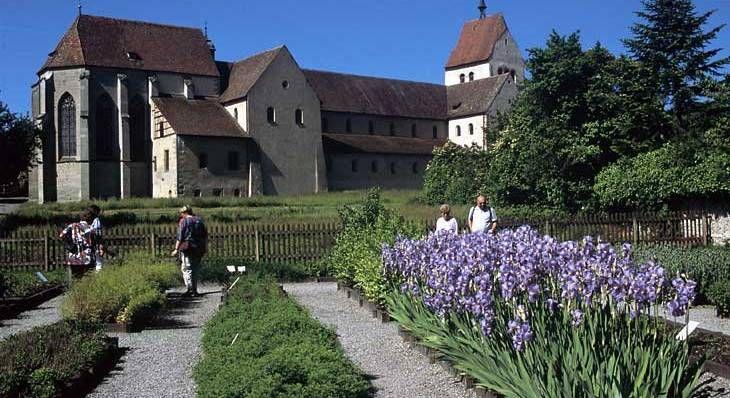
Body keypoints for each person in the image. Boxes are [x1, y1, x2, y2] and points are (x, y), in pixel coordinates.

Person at [171, 205, 208, 297]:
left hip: (188, 247)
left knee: (187, 268)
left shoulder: (184, 221)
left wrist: (176, 249)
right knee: (195, 269)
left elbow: (180, 236)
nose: (181, 215)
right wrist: (205, 248)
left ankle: (190, 290)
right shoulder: (199, 221)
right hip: (199, 248)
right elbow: (205, 236)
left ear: (184, 213)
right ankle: (194, 290)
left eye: (182, 213)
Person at [59, 210, 95, 275]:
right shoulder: (90, 228)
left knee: (75, 277)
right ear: (91, 219)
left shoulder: (72, 225)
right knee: (87, 277)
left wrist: (70, 242)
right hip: (86, 256)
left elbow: (61, 235)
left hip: (73, 256)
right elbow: (91, 241)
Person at [88, 205, 104, 272]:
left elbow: (96, 232)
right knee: (97, 261)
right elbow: (97, 233)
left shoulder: (93, 220)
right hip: (95, 243)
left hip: (93, 243)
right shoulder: (96, 220)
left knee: (96, 260)